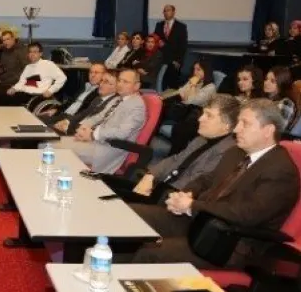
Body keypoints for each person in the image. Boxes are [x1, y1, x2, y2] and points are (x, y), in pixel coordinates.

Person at [126, 99, 299, 268]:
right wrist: (185, 194)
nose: (236, 129)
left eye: (245, 124)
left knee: (151, 252)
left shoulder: (281, 170)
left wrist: (192, 206)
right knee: (130, 215)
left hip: (229, 243)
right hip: (201, 221)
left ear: (268, 130)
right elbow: (206, 179)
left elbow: (247, 214)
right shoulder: (236, 152)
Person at [132, 94, 239, 194]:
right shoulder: (201, 139)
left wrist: (155, 192)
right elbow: (175, 159)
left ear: (227, 125)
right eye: (203, 113)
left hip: (175, 197)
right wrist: (151, 175)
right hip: (164, 187)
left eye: (209, 115)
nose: (200, 119)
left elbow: (193, 185)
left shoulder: (227, 153)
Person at [48, 69, 146, 173]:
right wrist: (82, 128)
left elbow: (122, 133)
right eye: (119, 80)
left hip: (107, 148)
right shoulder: (118, 99)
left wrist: (93, 135)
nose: (120, 84)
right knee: (48, 143)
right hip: (96, 141)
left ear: (137, 86)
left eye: (125, 82)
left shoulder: (137, 106)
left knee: (51, 146)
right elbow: (99, 117)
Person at [0, 42, 67, 108]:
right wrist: (14, 88)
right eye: (30, 52)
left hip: (37, 95)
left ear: (40, 54)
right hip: (24, 93)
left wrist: (51, 90)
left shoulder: (48, 64)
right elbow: (22, 82)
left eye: (35, 52)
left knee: (7, 101)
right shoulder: (28, 67)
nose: (32, 54)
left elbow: (62, 78)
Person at [154, 4, 188, 89]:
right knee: (161, 84)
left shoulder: (181, 26)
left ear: (173, 12)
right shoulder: (159, 25)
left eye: (168, 10)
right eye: (164, 11)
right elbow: (155, 39)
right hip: (161, 60)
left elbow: (183, 45)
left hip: (174, 61)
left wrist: (178, 61)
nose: (166, 12)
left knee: (173, 86)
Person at [0, 30, 28, 104]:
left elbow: (26, 70)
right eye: (4, 40)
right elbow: (7, 70)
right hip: (8, 80)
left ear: (13, 39)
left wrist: (4, 80)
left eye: (8, 39)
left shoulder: (21, 50)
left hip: (18, 82)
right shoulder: (5, 52)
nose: (6, 42)